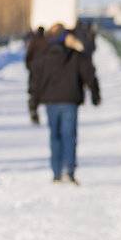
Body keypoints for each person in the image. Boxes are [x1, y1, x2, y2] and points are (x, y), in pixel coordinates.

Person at [27, 22, 101, 184]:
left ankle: (56, 173)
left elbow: (35, 83)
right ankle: (70, 171)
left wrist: (33, 106)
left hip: (51, 102)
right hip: (70, 100)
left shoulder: (42, 58)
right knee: (69, 136)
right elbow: (89, 73)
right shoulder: (76, 55)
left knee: (55, 136)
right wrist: (95, 94)